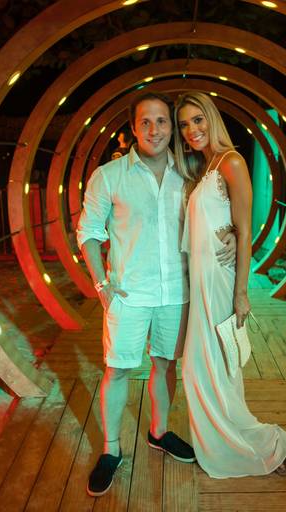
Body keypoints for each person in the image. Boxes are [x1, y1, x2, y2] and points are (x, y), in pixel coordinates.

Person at [76, 92, 236, 496]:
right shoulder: (109, 176)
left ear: (171, 128)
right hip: (128, 294)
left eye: (162, 121)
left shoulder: (191, 174)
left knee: (166, 366)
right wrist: (101, 285)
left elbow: (219, 211)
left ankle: (159, 432)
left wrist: (232, 234)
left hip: (178, 292)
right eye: (145, 122)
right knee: (117, 370)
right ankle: (111, 450)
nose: (154, 130)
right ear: (133, 128)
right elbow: (88, 232)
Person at [173, 91, 286, 478]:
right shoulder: (205, 166)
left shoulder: (232, 162)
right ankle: (230, 443)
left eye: (198, 120)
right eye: (184, 124)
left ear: (212, 117)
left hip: (220, 281)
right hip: (200, 280)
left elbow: (244, 232)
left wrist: (241, 294)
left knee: (214, 367)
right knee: (203, 368)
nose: (192, 130)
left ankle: (262, 445)